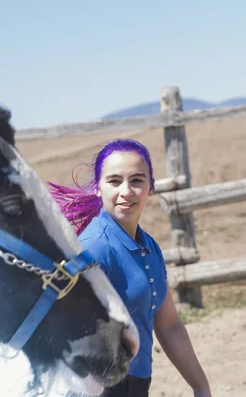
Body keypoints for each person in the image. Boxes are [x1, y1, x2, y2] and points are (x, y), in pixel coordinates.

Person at [48, 138, 212, 397]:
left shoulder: (149, 246)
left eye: (136, 180)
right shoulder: (94, 249)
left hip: (135, 387)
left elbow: (168, 324)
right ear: (98, 188)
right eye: (114, 181)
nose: (126, 191)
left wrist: (201, 386)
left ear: (151, 187)